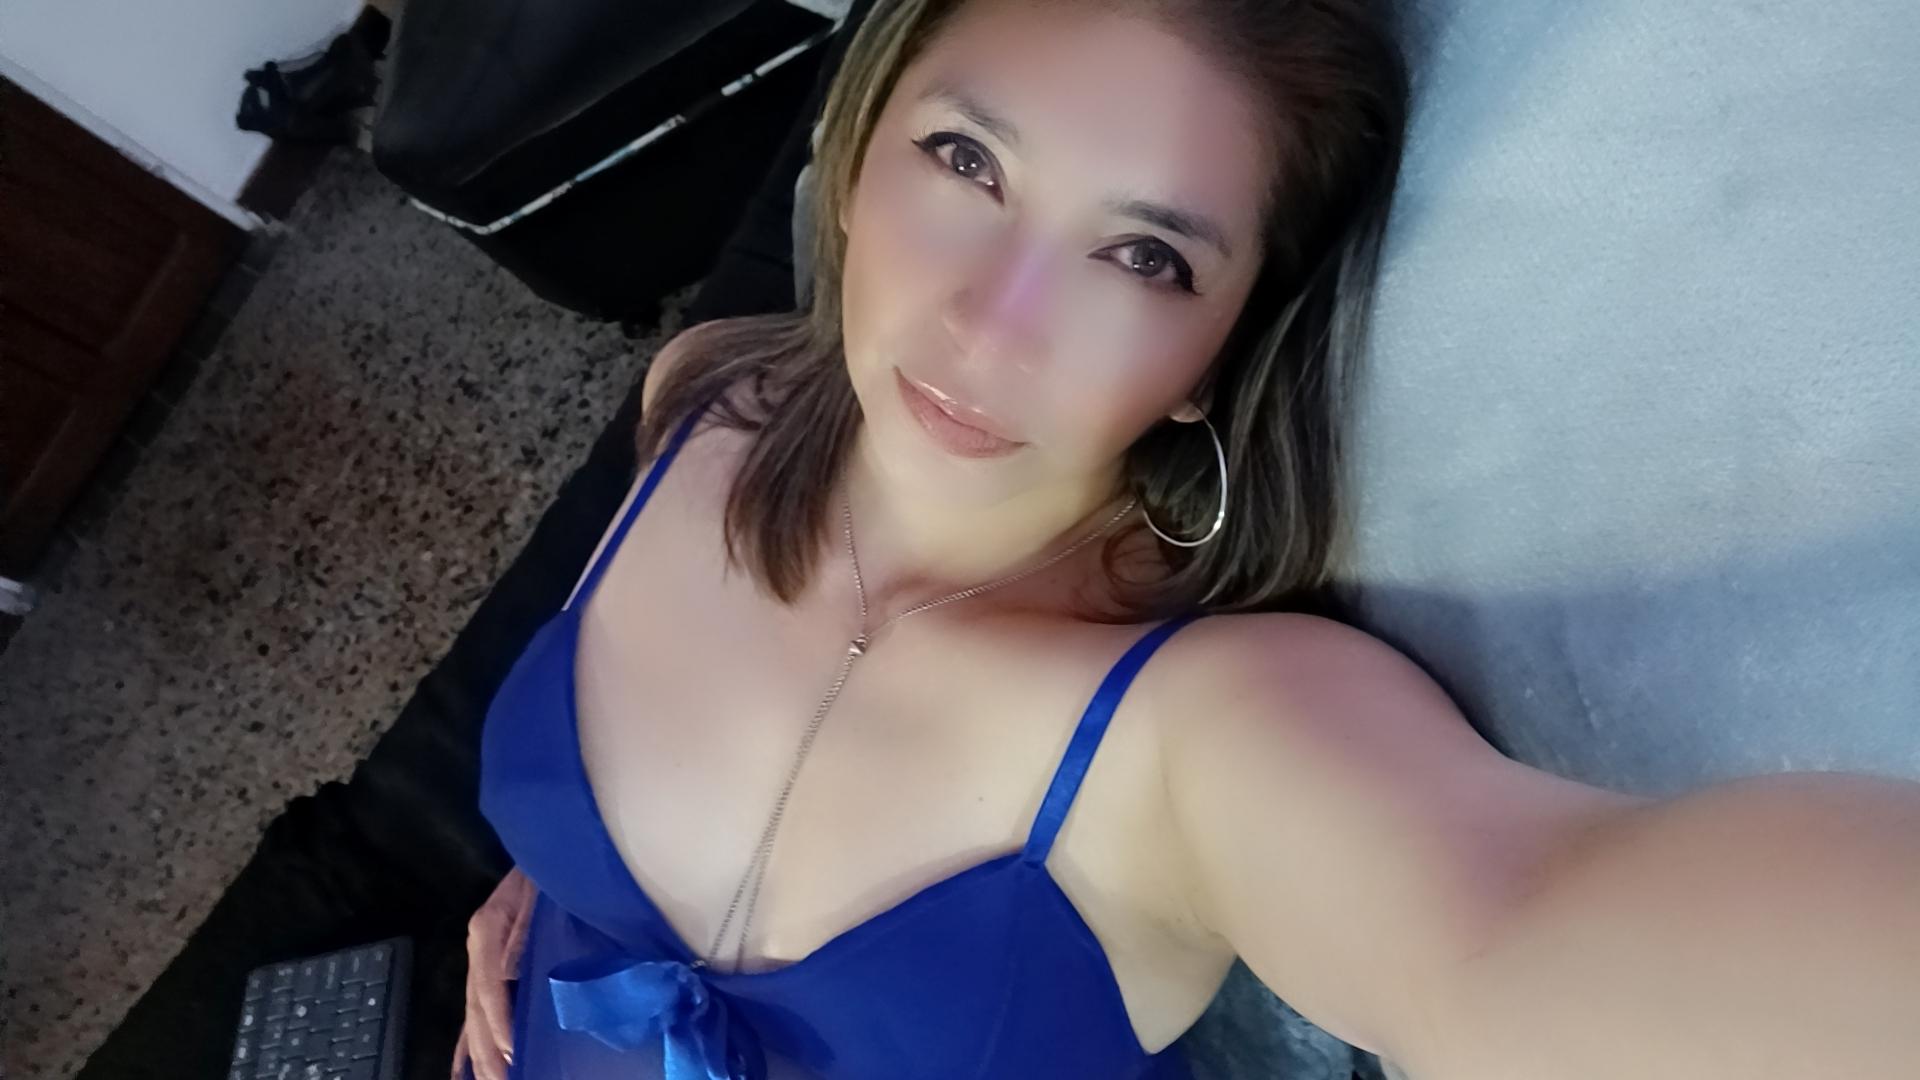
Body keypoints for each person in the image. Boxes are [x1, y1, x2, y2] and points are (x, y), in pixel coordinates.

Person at [454, 0, 1920, 1077]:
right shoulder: (707, 398)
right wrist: (563, 867)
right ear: (854, 156)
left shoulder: (1204, 731)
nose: (994, 325)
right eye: (967, 159)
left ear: (1219, 352)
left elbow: (1508, 940)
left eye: (1143, 256)